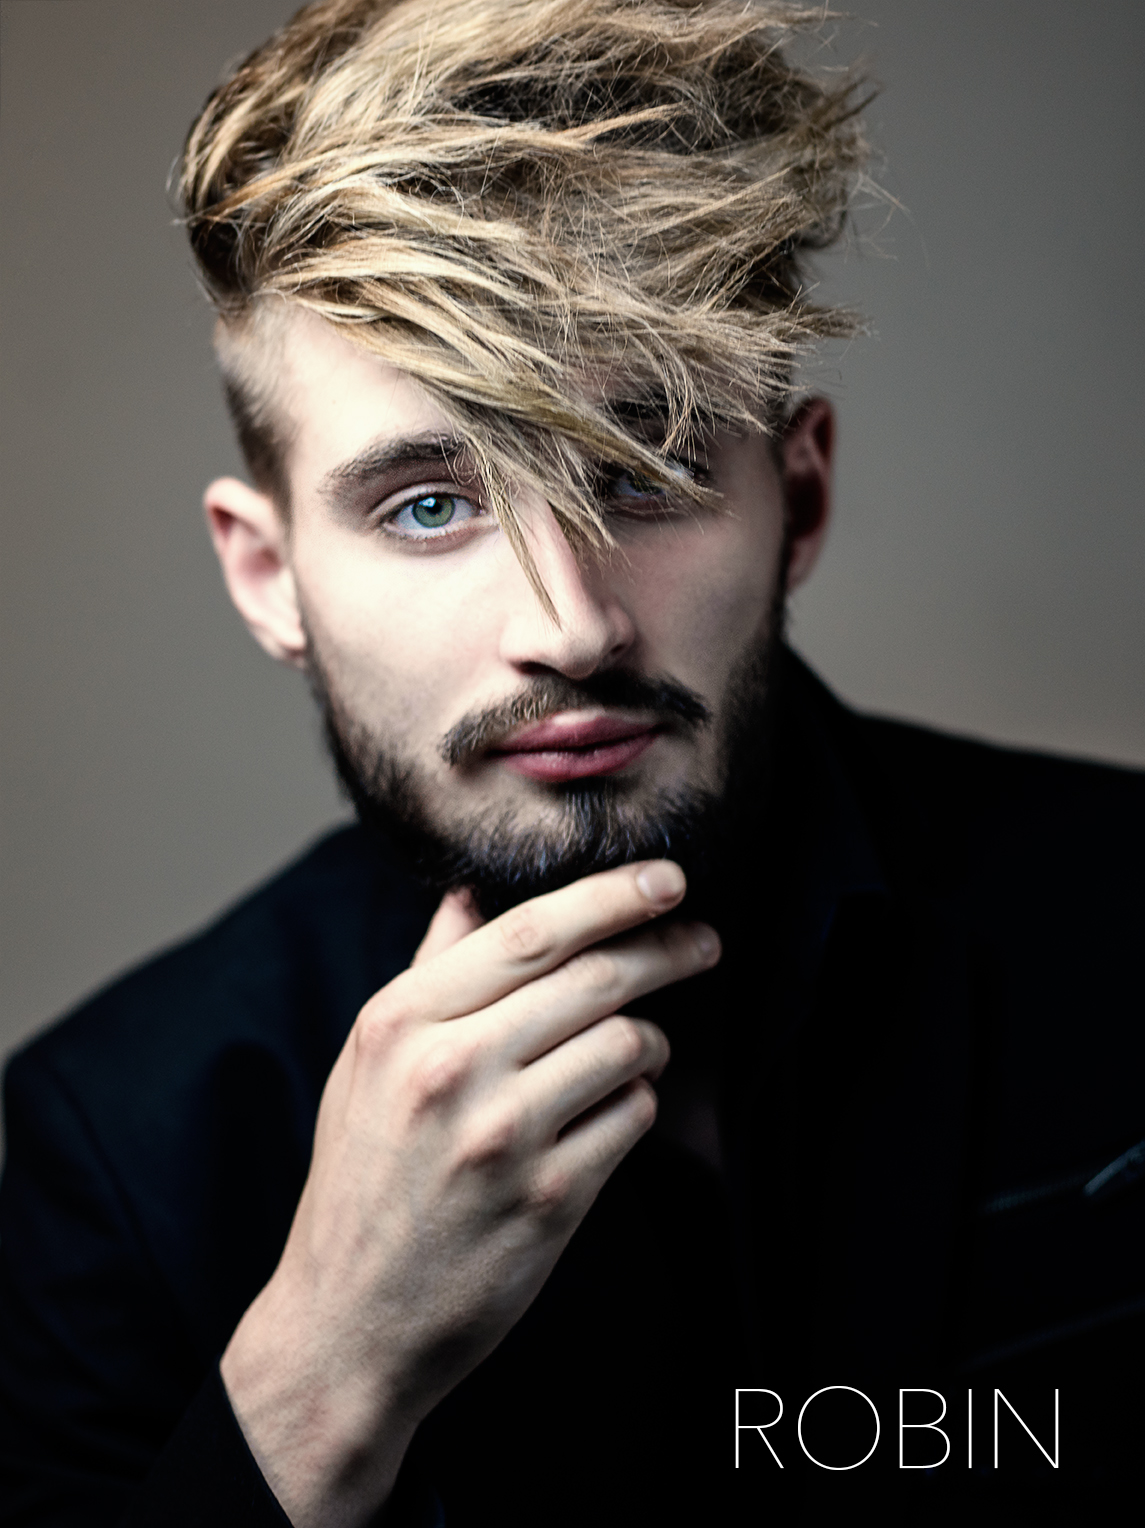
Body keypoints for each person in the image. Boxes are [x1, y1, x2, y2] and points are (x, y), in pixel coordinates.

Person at [2, 1, 1143, 1524]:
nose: (569, 627)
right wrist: (323, 1374)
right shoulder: (110, 1149)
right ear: (269, 577)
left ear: (798, 502)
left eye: (647, 470)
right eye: (428, 505)